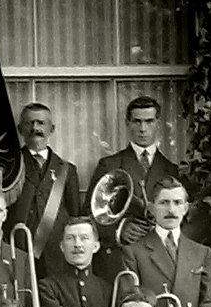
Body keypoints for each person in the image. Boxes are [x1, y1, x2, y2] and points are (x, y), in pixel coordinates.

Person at [121, 177, 211, 307]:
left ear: (186, 208)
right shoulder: (133, 252)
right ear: (151, 208)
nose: (171, 210)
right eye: (164, 203)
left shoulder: (202, 253)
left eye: (177, 203)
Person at [86, 96, 203, 250]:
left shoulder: (173, 170)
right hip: (121, 255)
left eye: (149, 121)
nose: (142, 128)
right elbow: (89, 215)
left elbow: (189, 220)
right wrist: (118, 231)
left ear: (158, 124)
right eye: (137, 121)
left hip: (160, 255)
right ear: (127, 123)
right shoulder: (108, 165)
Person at [7, 102, 82, 280]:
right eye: (29, 123)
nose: (35, 128)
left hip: (57, 258)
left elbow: (75, 216)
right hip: (19, 254)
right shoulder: (9, 167)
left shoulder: (66, 170)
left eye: (41, 123)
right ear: (20, 129)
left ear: (52, 129)